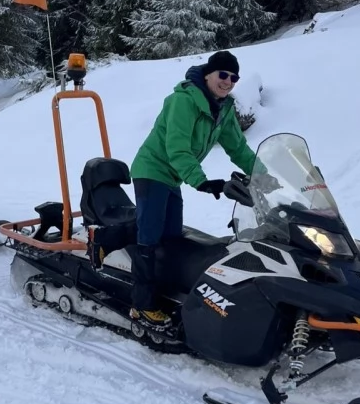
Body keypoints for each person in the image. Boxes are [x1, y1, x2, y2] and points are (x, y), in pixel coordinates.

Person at [91, 50, 261, 327]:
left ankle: (106, 239)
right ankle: (142, 305)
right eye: (223, 75)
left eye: (233, 77)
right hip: (152, 169)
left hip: (172, 177)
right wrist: (203, 181)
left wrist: (267, 175)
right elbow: (177, 148)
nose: (228, 81)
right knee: (150, 237)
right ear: (208, 74)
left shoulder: (224, 109)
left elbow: (238, 149)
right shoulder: (183, 101)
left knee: (168, 234)